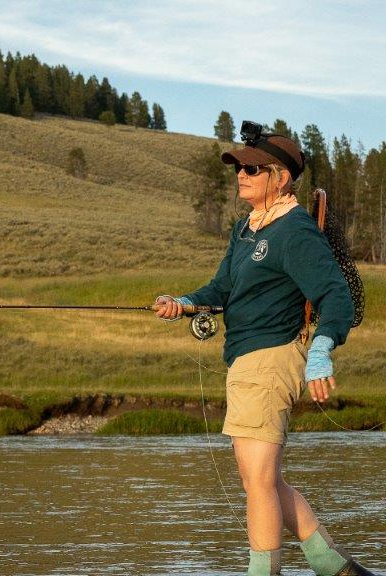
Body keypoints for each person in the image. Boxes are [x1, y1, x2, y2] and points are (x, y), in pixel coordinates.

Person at [154, 128, 377, 576]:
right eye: (239, 166)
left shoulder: (294, 230)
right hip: (245, 362)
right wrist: (186, 303)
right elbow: (222, 287)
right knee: (267, 480)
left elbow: (337, 297)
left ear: (280, 179)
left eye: (252, 168)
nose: (241, 174)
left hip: (271, 361)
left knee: (256, 481)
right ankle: (335, 567)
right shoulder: (245, 229)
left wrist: (322, 349)